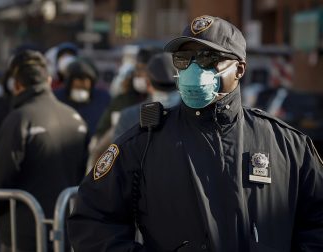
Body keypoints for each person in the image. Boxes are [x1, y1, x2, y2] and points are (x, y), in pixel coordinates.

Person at [67, 15, 323, 251]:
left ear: (240, 70)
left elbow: (317, 223)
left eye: (207, 59)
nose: (193, 68)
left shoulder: (286, 145)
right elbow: (91, 219)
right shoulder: (144, 143)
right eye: (184, 59)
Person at [0, 50, 88, 252]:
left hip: (23, 229)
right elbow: (81, 172)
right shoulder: (75, 118)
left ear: (17, 85)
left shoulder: (20, 118)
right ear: (48, 80)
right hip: (64, 224)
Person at [113, 52, 180, 140]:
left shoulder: (191, 116)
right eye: (160, 87)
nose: (166, 94)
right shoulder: (130, 117)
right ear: (148, 84)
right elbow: (120, 151)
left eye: (171, 88)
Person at [54, 58, 110, 140]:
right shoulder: (57, 98)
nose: (81, 84)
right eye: (77, 86)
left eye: (84, 87)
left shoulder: (103, 98)